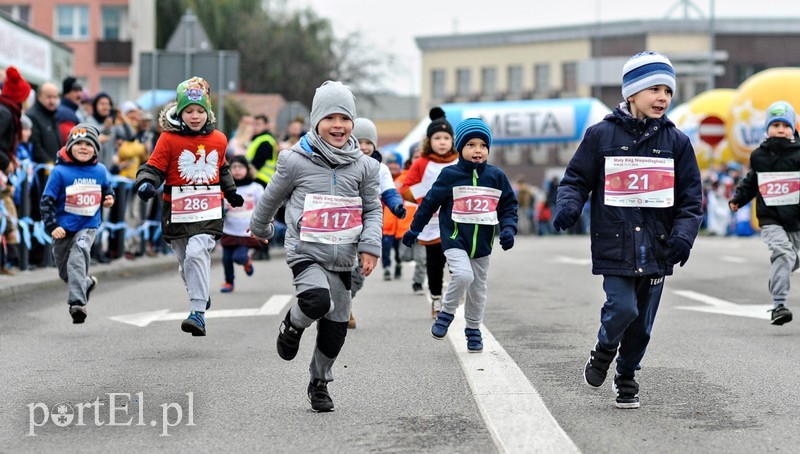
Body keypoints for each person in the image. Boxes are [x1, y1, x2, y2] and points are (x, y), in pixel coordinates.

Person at [552, 52, 703, 409]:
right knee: (622, 308)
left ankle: (627, 376)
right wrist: (568, 206)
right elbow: (575, 179)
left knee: (643, 326)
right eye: (654, 88)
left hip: (658, 247)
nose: (663, 97)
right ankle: (604, 349)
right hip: (615, 245)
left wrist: (684, 235)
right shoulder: (600, 135)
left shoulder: (677, 142)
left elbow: (691, 198)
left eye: (668, 90)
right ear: (632, 92)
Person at [248, 81, 382, 413]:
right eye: (330, 118)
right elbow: (271, 197)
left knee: (336, 325)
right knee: (315, 299)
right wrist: (260, 227)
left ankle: (319, 382)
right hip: (306, 251)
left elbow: (373, 208)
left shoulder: (364, 166)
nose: (338, 126)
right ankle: (293, 324)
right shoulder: (294, 160)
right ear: (316, 121)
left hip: (344, 255)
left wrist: (369, 246)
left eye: (345, 118)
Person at [135, 76, 243, 337]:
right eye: (189, 111)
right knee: (185, 262)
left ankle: (197, 313)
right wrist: (147, 182)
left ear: (208, 112)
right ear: (180, 112)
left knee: (197, 253)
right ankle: (200, 292)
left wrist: (230, 192)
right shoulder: (168, 140)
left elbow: (221, 168)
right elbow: (154, 167)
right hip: (177, 211)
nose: (195, 117)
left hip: (208, 211)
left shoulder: (218, 139)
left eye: (200, 111)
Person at [402, 118, 518, 352]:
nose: (478, 150)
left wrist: (508, 229)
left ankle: (473, 330)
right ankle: (446, 313)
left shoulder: (496, 176)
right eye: (471, 145)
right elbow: (429, 204)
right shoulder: (450, 175)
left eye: (483, 145)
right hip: (455, 239)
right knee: (463, 276)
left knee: (478, 289)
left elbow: (508, 206)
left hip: (483, 244)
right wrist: (415, 229)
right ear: (460, 148)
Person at [729, 101, 800, 326]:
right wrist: (739, 198)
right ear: (767, 128)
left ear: (793, 128)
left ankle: (777, 277)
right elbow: (752, 180)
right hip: (770, 217)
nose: (781, 129)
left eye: (785, 125)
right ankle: (779, 305)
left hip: (796, 218)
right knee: (784, 254)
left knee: (792, 259)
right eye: (775, 124)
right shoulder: (759, 155)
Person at [40, 124, 115, 323]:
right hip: (63, 228)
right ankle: (86, 283)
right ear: (70, 146)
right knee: (65, 270)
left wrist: (109, 198)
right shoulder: (59, 172)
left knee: (77, 257)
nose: (83, 147)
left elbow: (107, 189)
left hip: (88, 225)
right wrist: (52, 226)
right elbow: (46, 201)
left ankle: (77, 304)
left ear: (96, 149)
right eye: (79, 143)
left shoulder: (100, 170)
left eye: (89, 144)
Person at [399, 108, 459, 318]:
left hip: (456, 222)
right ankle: (436, 299)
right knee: (434, 264)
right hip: (432, 222)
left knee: (457, 261)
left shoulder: (461, 161)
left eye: (446, 138)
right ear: (428, 141)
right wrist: (428, 195)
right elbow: (406, 189)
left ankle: (456, 291)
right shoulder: (422, 163)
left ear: (452, 140)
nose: (442, 142)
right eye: (437, 138)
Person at [347, 117, 406, 328]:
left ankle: (345, 302)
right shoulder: (343, 163)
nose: (364, 147)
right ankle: (342, 309)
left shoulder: (380, 168)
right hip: (344, 224)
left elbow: (389, 191)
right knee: (346, 265)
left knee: (360, 272)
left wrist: (397, 206)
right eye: (359, 141)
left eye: (368, 143)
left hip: (369, 227)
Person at [219, 155, 263, 293]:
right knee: (226, 259)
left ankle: (246, 261)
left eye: (240, 167)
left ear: (248, 169)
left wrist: (263, 224)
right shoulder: (225, 188)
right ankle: (229, 282)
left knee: (238, 257)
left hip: (247, 230)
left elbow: (264, 206)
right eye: (233, 167)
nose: (237, 170)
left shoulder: (255, 188)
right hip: (228, 229)